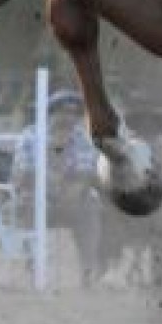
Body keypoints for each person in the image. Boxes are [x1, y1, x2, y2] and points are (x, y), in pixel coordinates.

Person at [10, 89, 106, 287]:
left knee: (90, 206)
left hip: (70, 201)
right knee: (28, 204)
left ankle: (88, 269)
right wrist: (48, 174)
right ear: (50, 113)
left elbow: (87, 171)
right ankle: (33, 268)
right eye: (63, 112)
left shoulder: (82, 137)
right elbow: (23, 173)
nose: (69, 118)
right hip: (36, 198)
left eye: (74, 113)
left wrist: (76, 188)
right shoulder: (30, 135)